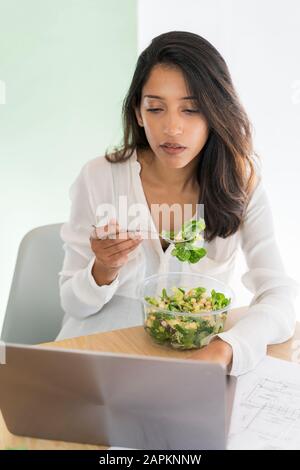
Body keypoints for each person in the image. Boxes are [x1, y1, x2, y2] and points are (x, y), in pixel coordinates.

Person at [56, 31, 299, 376]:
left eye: (192, 109)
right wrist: (103, 270)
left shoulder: (240, 184)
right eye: (155, 108)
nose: (172, 128)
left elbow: (279, 298)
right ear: (139, 114)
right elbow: (72, 304)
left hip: (191, 367)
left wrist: (225, 348)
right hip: (95, 359)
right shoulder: (99, 177)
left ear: (216, 112)